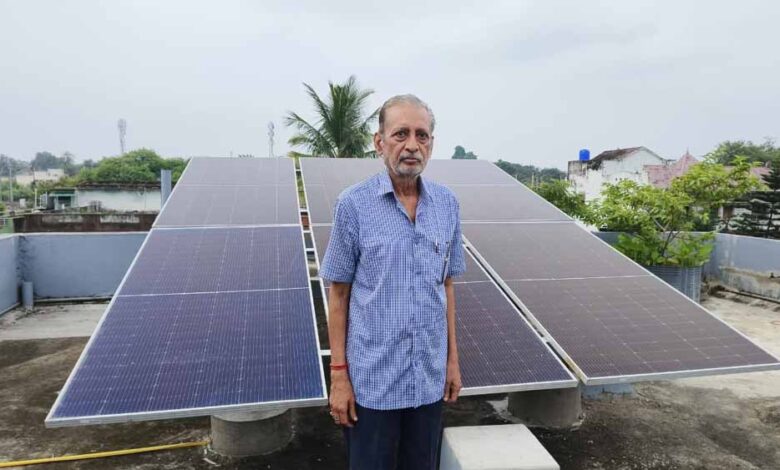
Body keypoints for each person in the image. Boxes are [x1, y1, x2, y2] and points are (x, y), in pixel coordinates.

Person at [320, 94, 466, 470]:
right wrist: (339, 377)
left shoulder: (447, 205)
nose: (412, 145)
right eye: (401, 134)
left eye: (422, 135)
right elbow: (339, 294)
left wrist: (452, 362)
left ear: (431, 143)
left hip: (428, 380)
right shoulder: (353, 205)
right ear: (379, 141)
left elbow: (447, 286)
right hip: (373, 384)